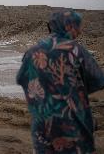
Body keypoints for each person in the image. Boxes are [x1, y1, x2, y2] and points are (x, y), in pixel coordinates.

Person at [16, 10, 104, 153]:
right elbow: (98, 80)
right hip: (73, 124)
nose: (80, 31)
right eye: (77, 26)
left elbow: (21, 79)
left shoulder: (32, 51)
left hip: (42, 124)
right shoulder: (76, 50)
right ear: (68, 27)